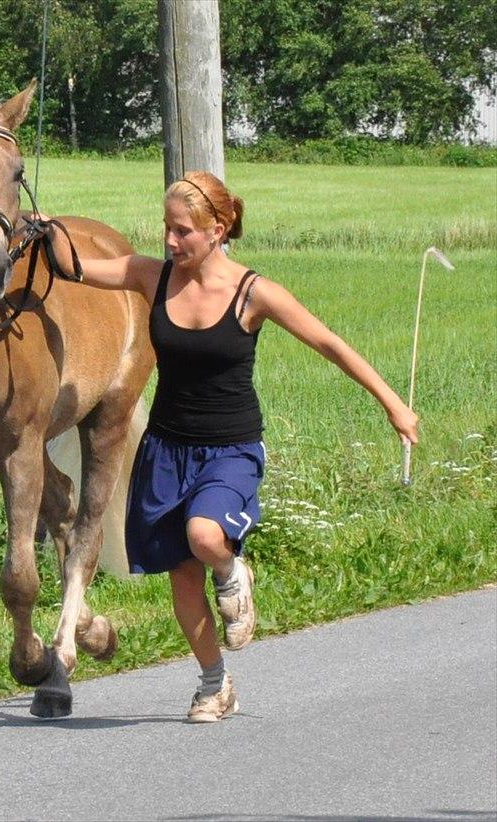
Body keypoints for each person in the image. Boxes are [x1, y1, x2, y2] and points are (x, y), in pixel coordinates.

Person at [40, 171, 418, 723]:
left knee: (204, 538)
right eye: (166, 228)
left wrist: (393, 404)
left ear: (217, 230)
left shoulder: (252, 292)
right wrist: (39, 225)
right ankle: (214, 684)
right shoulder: (151, 277)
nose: (170, 241)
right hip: (167, 451)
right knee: (181, 575)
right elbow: (72, 265)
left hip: (230, 450)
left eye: (182, 231)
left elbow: (329, 343)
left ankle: (232, 571)